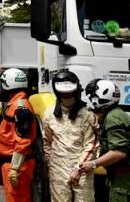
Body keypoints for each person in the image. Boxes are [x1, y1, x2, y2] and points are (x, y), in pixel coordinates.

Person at [78, 79, 130, 202]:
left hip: (125, 180)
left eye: (93, 96)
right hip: (127, 178)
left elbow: (118, 152)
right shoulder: (119, 115)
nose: (91, 100)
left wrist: (93, 164)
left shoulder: (113, 118)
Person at [42, 70, 98, 202]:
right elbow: (47, 142)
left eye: (70, 93)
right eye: (64, 94)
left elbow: (92, 145)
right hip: (58, 168)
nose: (67, 97)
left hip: (82, 168)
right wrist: (52, 163)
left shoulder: (87, 115)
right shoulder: (50, 114)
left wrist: (78, 169)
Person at [0, 68, 37, 202]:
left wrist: (15, 168)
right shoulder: (17, 104)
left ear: (9, 84)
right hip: (15, 162)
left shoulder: (20, 106)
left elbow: (23, 140)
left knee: (17, 198)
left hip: (16, 164)